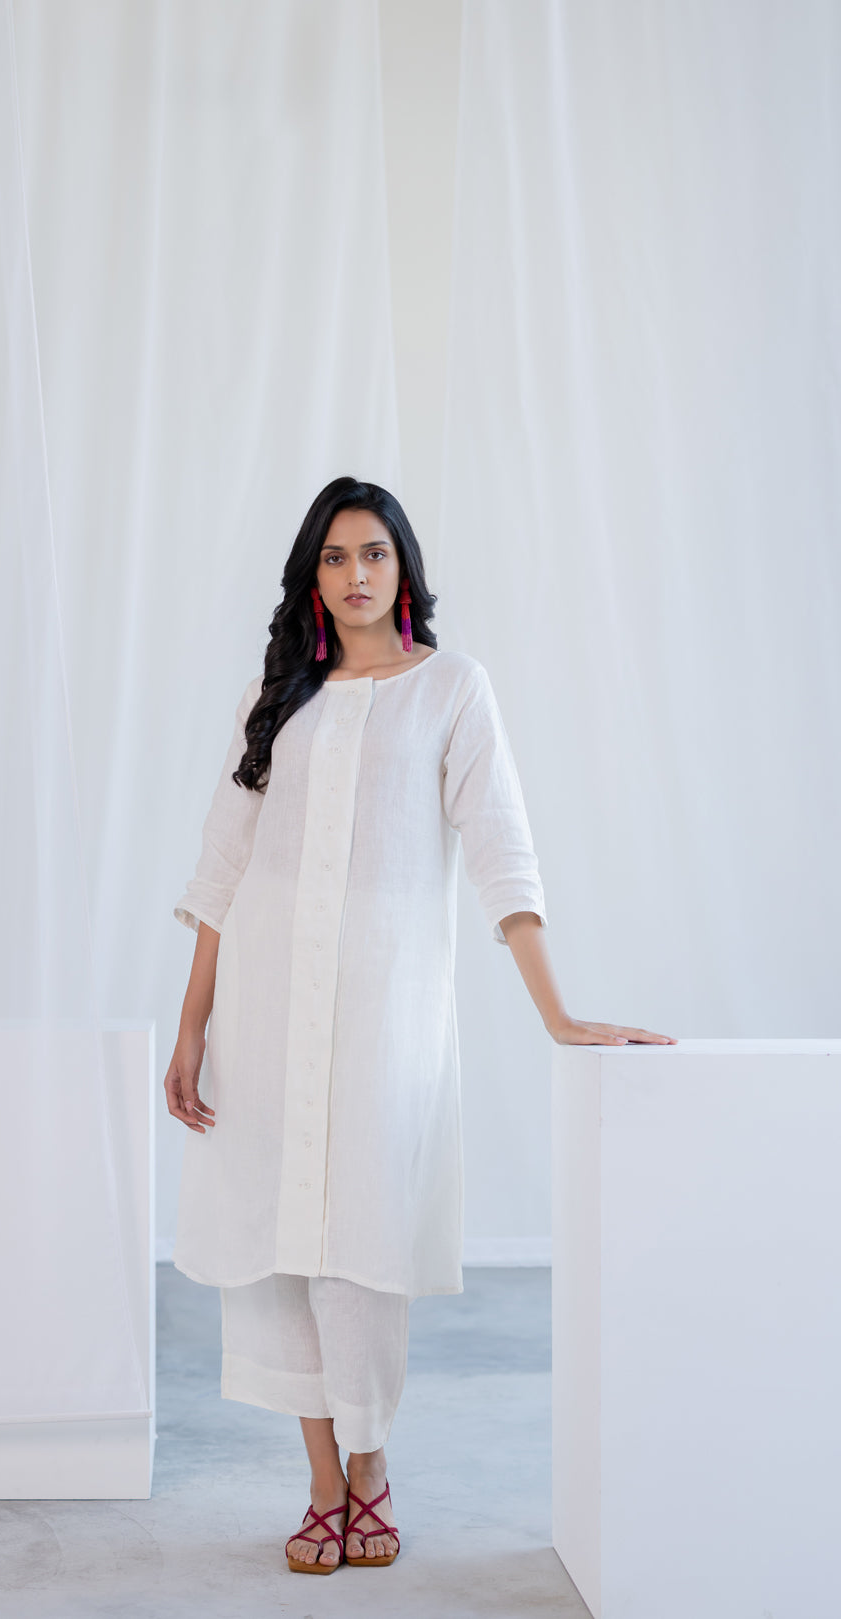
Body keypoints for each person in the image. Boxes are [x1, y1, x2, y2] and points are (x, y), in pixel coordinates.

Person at [164, 476, 676, 1574]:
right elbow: (221, 866)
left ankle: (371, 1465)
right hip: (263, 1006)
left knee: (360, 1240)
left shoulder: (451, 688)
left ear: (403, 568)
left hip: (381, 1014)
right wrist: (192, 1024)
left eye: (374, 554)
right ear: (312, 577)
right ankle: (321, 1484)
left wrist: (558, 1012)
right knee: (278, 1246)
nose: (355, 574)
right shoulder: (276, 698)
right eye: (335, 556)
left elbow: (500, 849)